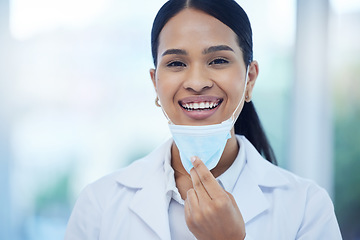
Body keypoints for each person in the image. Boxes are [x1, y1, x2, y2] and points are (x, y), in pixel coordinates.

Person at [65, 0, 342, 239]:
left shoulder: (307, 208)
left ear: (250, 79)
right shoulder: (98, 206)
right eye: (176, 63)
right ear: (155, 83)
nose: (197, 83)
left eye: (218, 60)